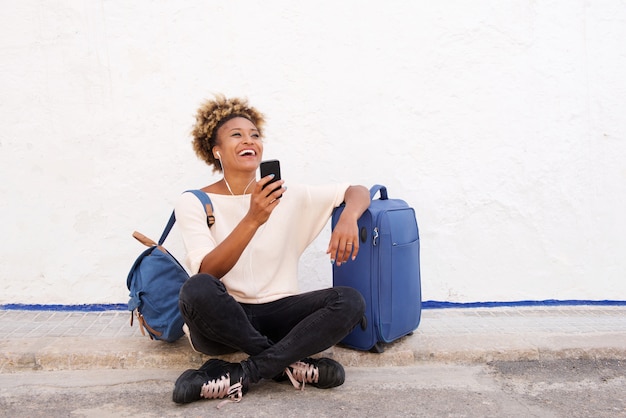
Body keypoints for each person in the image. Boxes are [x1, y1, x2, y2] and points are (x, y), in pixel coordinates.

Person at [172, 95, 370, 407]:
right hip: (223, 321)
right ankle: (288, 363)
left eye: (255, 135)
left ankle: (247, 372)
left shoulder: (287, 196)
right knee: (196, 288)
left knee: (349, 301)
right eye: (236, 135)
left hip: (280, 315)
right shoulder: (194, 202)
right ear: (216, 151)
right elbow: (208, 272)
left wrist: (348, 217)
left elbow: (356, 191)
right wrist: (253, 218)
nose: (248, 140)